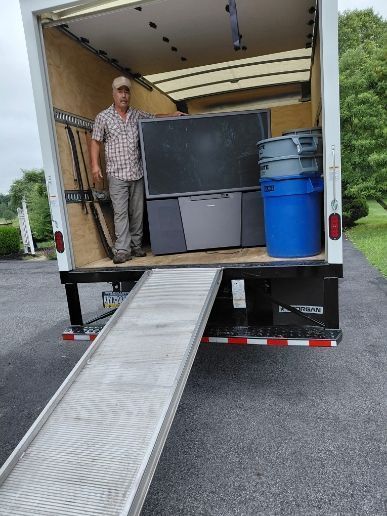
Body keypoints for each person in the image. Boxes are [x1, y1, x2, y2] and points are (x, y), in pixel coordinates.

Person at [91, 76, 184, 264]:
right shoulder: (103, 117)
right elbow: (95, 141)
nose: (124, 95)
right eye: (120, 91)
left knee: (137, 212)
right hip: (116, 174)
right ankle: (123, 250)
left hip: (137, 172)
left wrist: (172, 115)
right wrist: (95, 165)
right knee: (120, 212)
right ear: (113, 93)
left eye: (126, 91)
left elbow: (153, 117)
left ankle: (135, 245)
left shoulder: (137, 114)